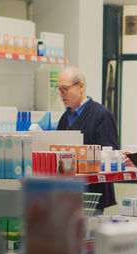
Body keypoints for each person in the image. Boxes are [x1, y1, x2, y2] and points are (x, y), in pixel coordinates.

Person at [56, 66, 119, 212]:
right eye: (59, 89)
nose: (61, 94)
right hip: (67, 194)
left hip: (93, 196)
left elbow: (111, 153)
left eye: (65, 89)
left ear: (81, 86)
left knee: (90, 234)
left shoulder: (101, 115)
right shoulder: (65, 118)